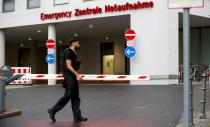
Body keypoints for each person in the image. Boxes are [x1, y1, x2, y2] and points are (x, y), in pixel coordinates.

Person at [47, 38, 88, 123]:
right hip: (69, 77)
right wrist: (77, 74)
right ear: (73, 43)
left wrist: (78, 63)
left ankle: (77, 117)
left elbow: (74, 66)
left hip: (72, 77)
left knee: (75, 97)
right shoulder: (68, 51)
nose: (79, 45)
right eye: (78, 43)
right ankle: (53, 110)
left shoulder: (74, 53)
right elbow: (68, 66)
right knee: (68, 95)